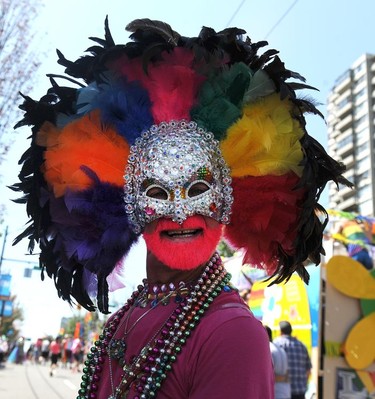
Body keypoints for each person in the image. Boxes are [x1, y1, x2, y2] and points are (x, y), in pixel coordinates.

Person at [12, 17, 350, 399]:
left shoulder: (232, 334)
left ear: (227, 198)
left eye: (198, 188)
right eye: (157, 191)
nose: (178, 213)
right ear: (130, 203)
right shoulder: (131, 312)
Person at [273, 321, 312, 399]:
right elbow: (308, 370)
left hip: (283, 392)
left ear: (280, 331)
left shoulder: (277, 344)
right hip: (300, 391)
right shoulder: (302, 345)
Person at [265, 326, 291, 399]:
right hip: (286, 392)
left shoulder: (268, 348)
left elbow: (268, 375)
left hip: (276, 392)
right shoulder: (280, 349)